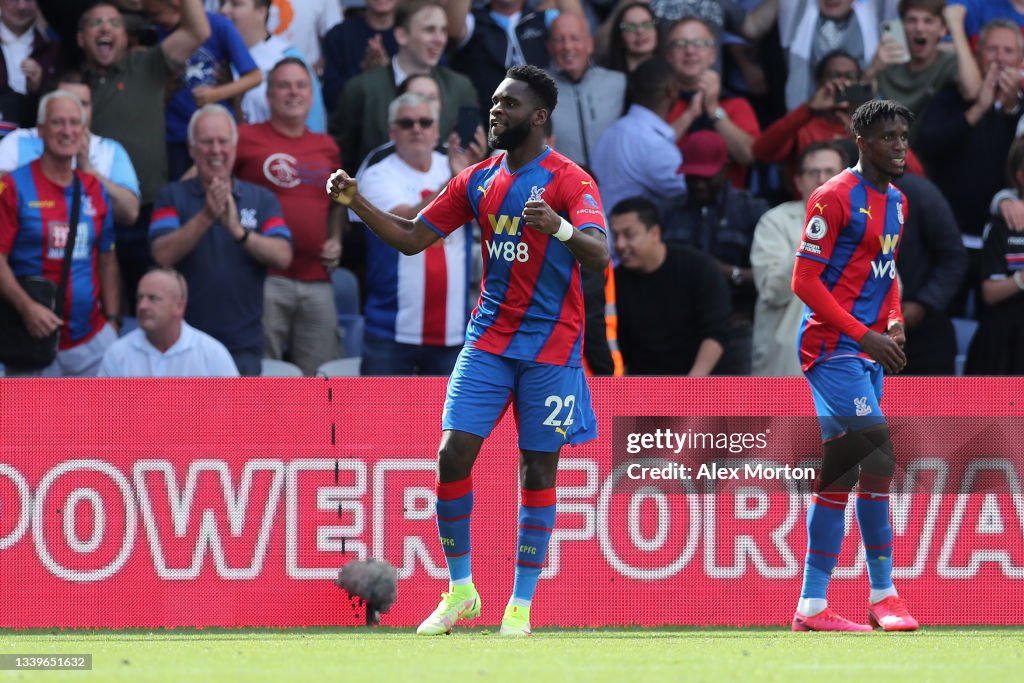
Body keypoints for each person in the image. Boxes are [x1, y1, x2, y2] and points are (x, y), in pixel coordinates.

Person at [327, 65, 610, 636]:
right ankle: (461, 591)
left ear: (539, 116)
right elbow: (412, 239)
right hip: (487, 340)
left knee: (537, 469)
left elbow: (599, 255)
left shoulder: (570, 182)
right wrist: (357, 202)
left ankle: (521, 606)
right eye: (494, 100)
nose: (495, 110)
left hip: (551, 348)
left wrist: (557, 228)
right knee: (451, 455)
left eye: (508, 104)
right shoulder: (477, 179)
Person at [790, 99, 919, 632]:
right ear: (861, 142)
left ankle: (812, 606)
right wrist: (863, 333)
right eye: (888, 137)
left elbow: (885, 276)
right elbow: (803, 282)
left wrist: (892, 323)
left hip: (866, 347)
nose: (899, 146)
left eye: (903, 137)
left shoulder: (900, 203)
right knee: (880, 456)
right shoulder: (833, 197)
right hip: (829, 348)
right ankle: (884, 593)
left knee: (840, 474)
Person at [79, 0, 210, 310]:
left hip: (149, 212)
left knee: (155, 306)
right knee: (101, 308)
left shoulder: (147, 66)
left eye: (114, 23)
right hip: (92, 211)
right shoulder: (73, 86)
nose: (105, 29)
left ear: (126, 37)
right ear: (80, 39)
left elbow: (198, 30)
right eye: (95, 24)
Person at [150, 105, 293, 376]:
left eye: (223, 141)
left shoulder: (261, 198)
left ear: (235, 148)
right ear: (191, 149)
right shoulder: (171, 196)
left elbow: (283, 255)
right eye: (206, 142)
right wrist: (206, 216)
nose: (216, 150)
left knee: (238, 419)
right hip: (181, 342)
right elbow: (162, 255)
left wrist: (239, 232)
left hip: (242, 345)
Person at [356, 91, 484, 375]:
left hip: (453, 333)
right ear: (392, 131)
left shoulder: (456, 167)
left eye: (425, 122)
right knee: (381, 419)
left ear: (437, 130)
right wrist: (458, 180)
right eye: (407, 123)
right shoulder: (377, 174)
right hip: (391, 331)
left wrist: (478, 171)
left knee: (447, 421)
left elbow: (490, 218)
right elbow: (407, 222)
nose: (417, 129)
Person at [231, 57, 343, 375]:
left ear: (311, 94)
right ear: (268, 96)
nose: (293, 93)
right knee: (261, 374)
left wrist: (335, 237)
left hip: (317, 280)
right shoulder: (245, 137)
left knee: (321, 376)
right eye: (283, 85)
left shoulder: (327, 147)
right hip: (263, 278)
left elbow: (338, 203)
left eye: (300, 85)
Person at [0, 90, 120, 377]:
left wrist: (113, 321)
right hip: (31, 340)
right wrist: (27, 307)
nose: (67, 131)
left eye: (73, 123)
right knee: (31, 423)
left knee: (97, 423)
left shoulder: (94, 188)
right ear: (40, 130)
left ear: (83, 130)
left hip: (91, 342)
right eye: (57, 123)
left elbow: (107, 259)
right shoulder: (12, 187)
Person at [330, 0, 478, 172]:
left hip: (447, 195)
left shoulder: (460, 88)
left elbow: (470, 154)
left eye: (443, 30)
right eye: (429, 30)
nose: (439, 40)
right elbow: (340, 160)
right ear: (401, 35)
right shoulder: (361, 89)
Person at [667, 129, 768, 375]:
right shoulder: (668, 213)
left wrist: (729, 273)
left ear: (725, 169)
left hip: (736, 326)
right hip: (682, 329)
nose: (699, 184)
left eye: (707, 176)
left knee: (740, 410)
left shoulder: (752, 211)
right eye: (692, 177)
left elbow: (772, 276)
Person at [751, 141, 846, 376]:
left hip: (848, 369)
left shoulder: (866, 223)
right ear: (798, 181)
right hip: (787, 370)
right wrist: (816, 235)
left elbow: (890, 292)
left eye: (830, 172)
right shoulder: (774, 222)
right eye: (813, 172)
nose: (822, 179)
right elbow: (772, 290)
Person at [0, 71, 141, 227]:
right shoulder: (18, 140)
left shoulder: (110, 150)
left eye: (83, 104)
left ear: (92, 108)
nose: (73, 108)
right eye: (66, 99)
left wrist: (88, 170)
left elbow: (130, 213)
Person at [611, 196, 729, 375]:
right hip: (642, 386)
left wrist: (691, 385)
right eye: (615, 236)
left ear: (655, 233)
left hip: (700, 381)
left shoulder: (698, 267)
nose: (620, 245)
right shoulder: (615, 281)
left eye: (629, 235)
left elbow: (716, 333)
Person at [147, 0, 262, 180]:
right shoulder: (159, 32)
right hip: (175, 133)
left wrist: (217, 93)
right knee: (181, 193)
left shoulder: (219, 25)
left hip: (217, 133)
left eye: (157, 14)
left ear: (177, 5)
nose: (155, 21)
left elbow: (254, 76)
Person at [444, 0, 584, 120]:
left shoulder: (542, 19)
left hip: (541, 126)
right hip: (491, 130)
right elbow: (452, 31)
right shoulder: (473, 21)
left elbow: (579, 29)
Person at [663, 16, 760, 188]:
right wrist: (689, 115)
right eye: (680, 44)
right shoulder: (659, 102)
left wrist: (714, 109)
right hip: (669, 202)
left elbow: (749, 155)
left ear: (713, 55)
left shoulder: (736, 104)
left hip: (728, 205)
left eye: (699, 43)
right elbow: (649, 155)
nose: (690, 51)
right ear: (668, 55)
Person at [866, 0, 980, 146]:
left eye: (928, 21)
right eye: (912, 20)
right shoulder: (887, 59)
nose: (919, 28)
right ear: (901, 26)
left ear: (943, 29)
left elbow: (972, 91)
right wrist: (872, 70)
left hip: (930, 153)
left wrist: (957, 28)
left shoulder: (948, 62)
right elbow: (854, 106)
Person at [592, 57, 687, 228]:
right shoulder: (652, 144)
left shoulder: (609, 133)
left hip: (606, 239)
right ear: (672, 90)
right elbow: (691, 189)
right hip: (629, 244)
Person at [97, 266, 239, 376]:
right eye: (140, 298)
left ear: (179, 306)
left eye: (153, 298)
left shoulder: (212, 354)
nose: (142, 306)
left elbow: (235, 411)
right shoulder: (117, 354)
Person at [221, 0, 327, 134]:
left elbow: (313, 125)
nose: (224, 10)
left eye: (236, 4)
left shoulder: (286, 57)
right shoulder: (212, 56)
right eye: (221, 3)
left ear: (261, 12)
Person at [966, 136, 1024, 375]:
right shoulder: (1003, 221)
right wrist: (1021, 279)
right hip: (1005, 344)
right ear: (1020, 175)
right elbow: (989, 292)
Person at [545, 12, 626, 168]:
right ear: (549, 47)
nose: (568, 47)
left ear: (590, 44)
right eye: (559, 40)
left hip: (613, 186)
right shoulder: (536, 90)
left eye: (575, 38)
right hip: (566, 187)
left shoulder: (618, 83)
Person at [321, 0, 399, 111]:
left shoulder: (413, 36)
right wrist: (365, 76)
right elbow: (331, 99)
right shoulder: (339, 36)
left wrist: (388, 72)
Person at [0, 0, 60, 138]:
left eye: (28, 0)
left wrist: (39, 88)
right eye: (14, 0)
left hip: (38, 143)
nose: (21, 6)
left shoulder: (52, 48)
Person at [601, 1, 659, 74]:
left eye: (647, 24)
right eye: (631, 27)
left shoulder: (671, 76)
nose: (640, 31)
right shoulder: (606, 79)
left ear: (656, 30)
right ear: (620, 35)